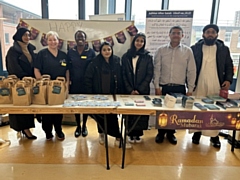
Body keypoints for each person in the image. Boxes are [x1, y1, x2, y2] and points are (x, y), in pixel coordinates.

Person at [190, 24, 234, 148]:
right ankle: (197, 133)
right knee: (198, 108)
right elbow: (189, 67)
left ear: (217, 34)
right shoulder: (195, 48)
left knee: (215, 109)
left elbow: (229, 65)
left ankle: (214, 136)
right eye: (208, 32)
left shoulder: (223, 49)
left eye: (213, 32)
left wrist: (228, 80)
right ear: (203, 34)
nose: (210, 34)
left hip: (216, 82)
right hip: (199, 82)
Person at [153, 26, 196, 145]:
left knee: (175, 112)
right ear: (169, 35)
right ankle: (160, 133)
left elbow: (191, 71)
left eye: (178, 33)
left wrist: (190, 89)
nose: (176, 35)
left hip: (179, 87)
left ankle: (171, 133)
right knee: (162, 111)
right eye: (173, 33)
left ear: (182, 36)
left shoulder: (188, 51)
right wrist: (156, 86)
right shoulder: (161, 50)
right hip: (164, 86)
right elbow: (157, 69)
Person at [84, 42, 132, 148]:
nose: (107, 52)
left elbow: (120, 77)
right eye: (104, 50)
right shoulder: (95, 62)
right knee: (100, 116)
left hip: (113, 95)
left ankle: (117, 137)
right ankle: (101, 134)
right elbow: (88, 78)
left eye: (109, 49)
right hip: (99, 95)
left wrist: (121, 93)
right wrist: (91, 95)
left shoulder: (115, 60)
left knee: (112, 117)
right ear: (100, 51)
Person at [34, 31, 70, 140]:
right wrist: (41, 84)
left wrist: (67, 83)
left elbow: (67, 70)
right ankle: (48, 132)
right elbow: (36, 69)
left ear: (58, 41)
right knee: (47, 112)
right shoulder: (42, 54)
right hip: (46, 87)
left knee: (58, 110)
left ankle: (58, 130)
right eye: (50, 40)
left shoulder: (63, 55)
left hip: (59, 87)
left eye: (55, 40)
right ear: (46, 41)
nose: (52, 42)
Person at [121, 33, 153, 143]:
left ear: (144, 43)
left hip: (142, 90)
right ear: (133, 41)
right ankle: (129, 133)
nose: (139, 43)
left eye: (141, 41)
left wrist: (139, 89)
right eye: (137, 40)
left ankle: (138, 134)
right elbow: (123, 74)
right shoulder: (126, 56)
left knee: (140, 112)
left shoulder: (148, 57)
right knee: (130, 111)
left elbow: (149, 74)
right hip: (128, 90)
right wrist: (130, 89)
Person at [5, 27, 37, 139]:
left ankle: (27, 128)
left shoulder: (31, 49)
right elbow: (13, 68)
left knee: (28, 106)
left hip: (30, 82)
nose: (27, 37)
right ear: (19, 36)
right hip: (19, 83)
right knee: (20, 106)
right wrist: (26, 78)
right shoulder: (13, 51)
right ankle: (25, 130)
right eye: (25, 35)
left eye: (28, 35)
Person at [67, 30, 96, 138]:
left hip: (87, 83)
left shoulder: (91, 52)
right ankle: (78, 126)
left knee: (86, 105)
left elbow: (94, 69)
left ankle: (84, 126)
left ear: (85, 39)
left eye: (82, 37)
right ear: (75, 39)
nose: (80, 39)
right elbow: (68, 68)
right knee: (76, 105)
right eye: (78, 37)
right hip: (74, 83)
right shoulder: (71, 51)